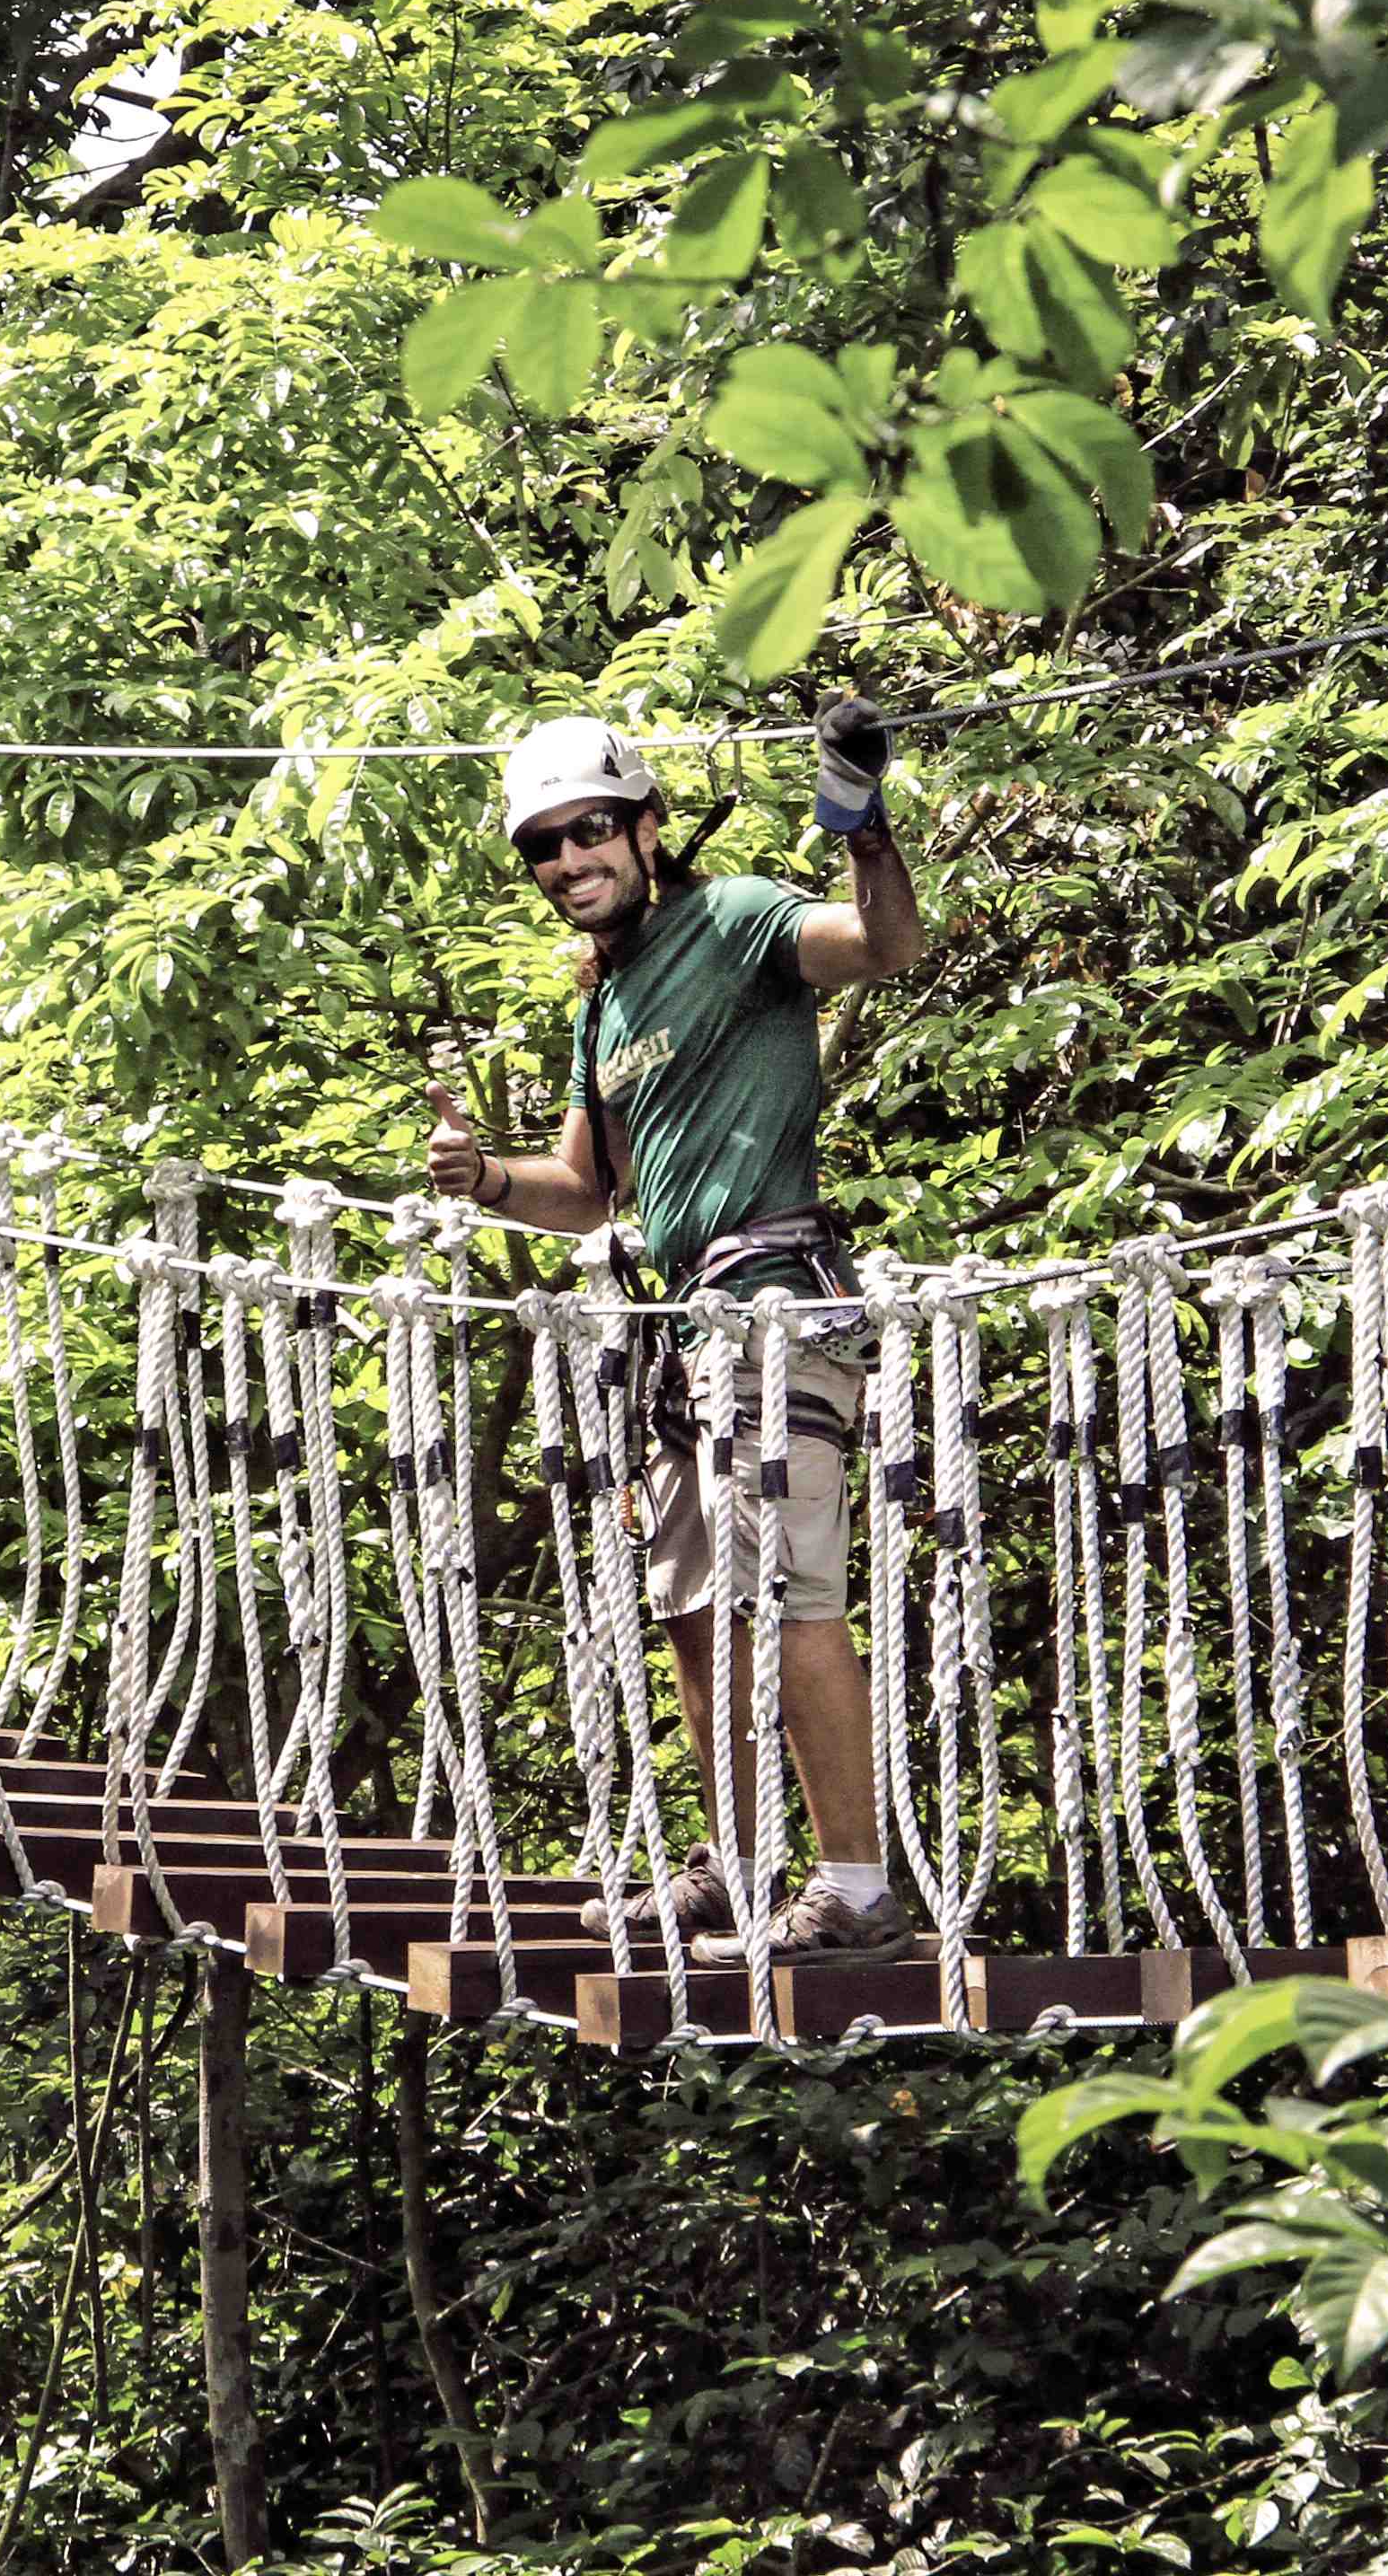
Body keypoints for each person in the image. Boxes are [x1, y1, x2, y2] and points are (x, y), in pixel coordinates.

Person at [423, 699, 926, 1966]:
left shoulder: (736, 920)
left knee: (788, 1586)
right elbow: (588, 1190)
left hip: (773, 1295)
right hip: (678, 1318)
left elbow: (880, 948)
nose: (568, 861)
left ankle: (857, 1886)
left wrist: (862, 829)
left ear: (648, 827)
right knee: (697, 1603)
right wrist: (487, 1176)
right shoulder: (602, 1008)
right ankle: (743, 1863)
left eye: (590, 829)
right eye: (544, 846)